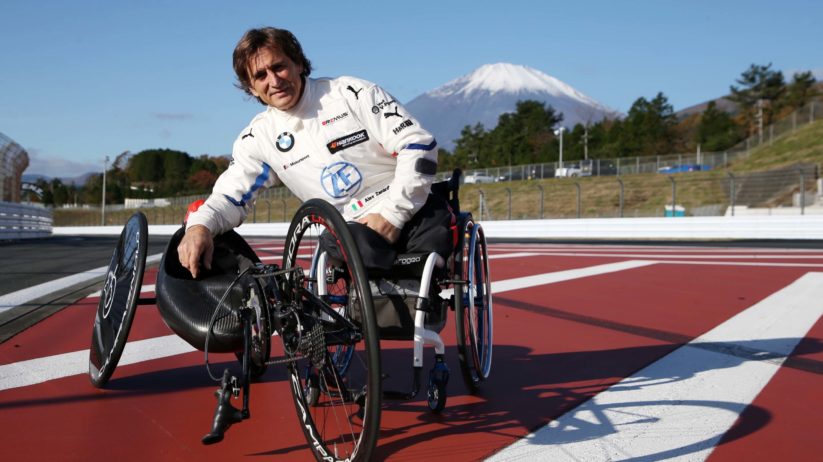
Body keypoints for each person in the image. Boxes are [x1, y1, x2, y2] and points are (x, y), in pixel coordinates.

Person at [178, 27, 453, 277]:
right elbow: (229, 198)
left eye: (279, 67)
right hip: (350, 233)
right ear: (251, 88)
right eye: (261, 75)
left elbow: (418, 145)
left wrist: (392, 216)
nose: (274, 81)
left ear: (298, 63)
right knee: (344, 242)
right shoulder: (257, 138)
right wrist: (199, 227)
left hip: (411, 210)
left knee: (435, 225)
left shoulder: (350, 93)